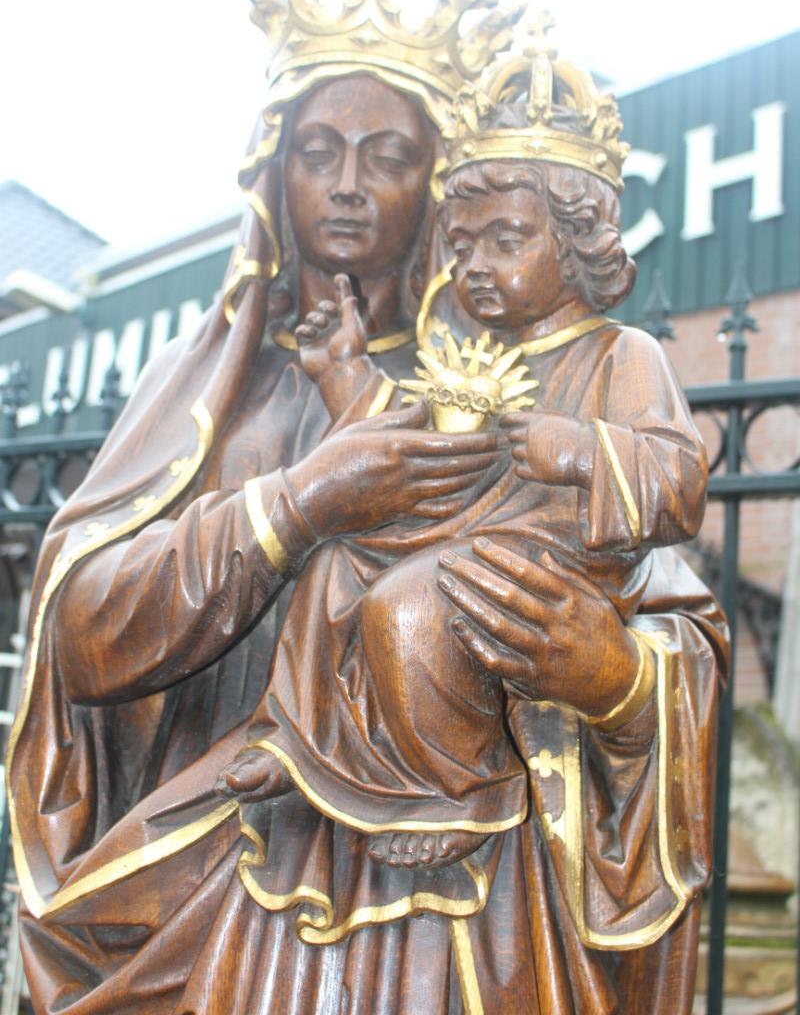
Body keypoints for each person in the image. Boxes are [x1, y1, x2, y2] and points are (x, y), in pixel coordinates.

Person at [7, 0, 728, 1015]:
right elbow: (78, 636)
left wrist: (617, 681)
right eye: (316, 152)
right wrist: (297, 504)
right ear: (270, 176)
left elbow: (663, 605)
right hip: (234, 873)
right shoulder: (204, 387)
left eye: (389, 156)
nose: (348, 186)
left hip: (482, 899)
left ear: (442, 179)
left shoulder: (542, 376)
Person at [218, 47, 709, 882]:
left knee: (408, 607)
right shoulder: (468, 350)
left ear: (579, 239)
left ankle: (461, 787)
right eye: (464, 244)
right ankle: (313, 747)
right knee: (336, 563)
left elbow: (680, 480)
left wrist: (586, 449)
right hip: (465, 536)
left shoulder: (622, 354)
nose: (477, 265)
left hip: (557, 560)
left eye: (506, 241)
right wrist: (344, 375)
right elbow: (413, 442)